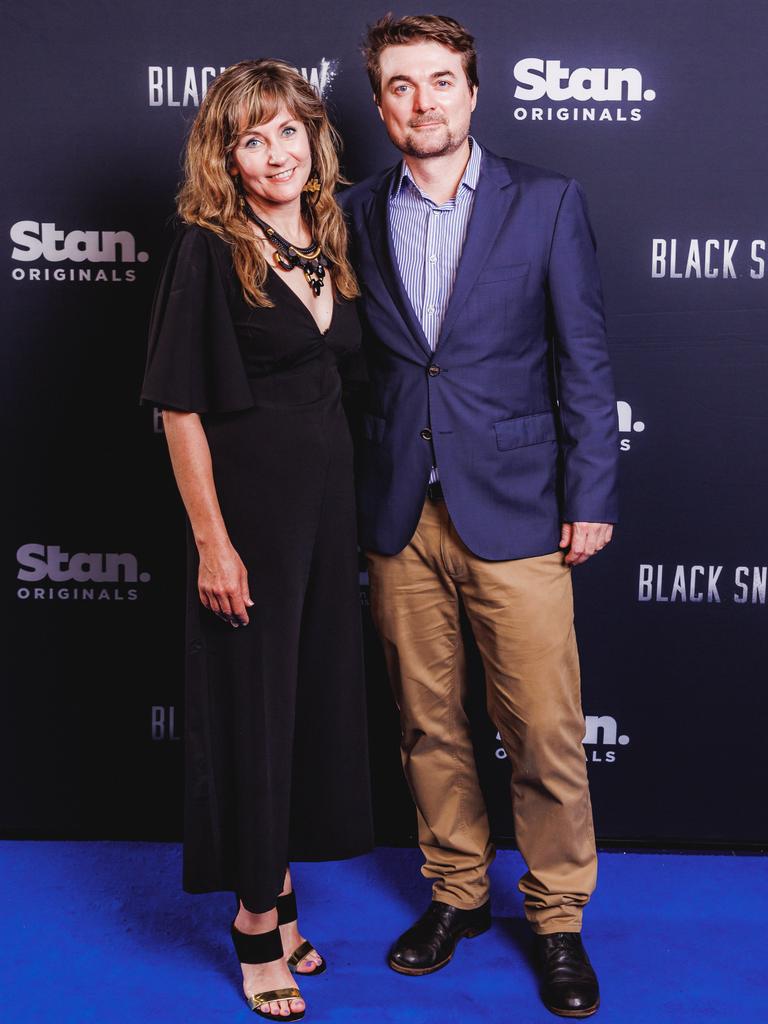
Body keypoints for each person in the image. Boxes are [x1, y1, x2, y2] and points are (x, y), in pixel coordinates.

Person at [340, 14, 618, 1018]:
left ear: (473, 92)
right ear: (380, 105)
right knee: (427, 723)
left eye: (441, 82)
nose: (423, 102)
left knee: (542, 729)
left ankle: (556, 918)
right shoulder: (353, 211)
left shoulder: (546, 203)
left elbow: (583, 359)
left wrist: (591, 494)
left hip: (519, 512)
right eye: (402, 86)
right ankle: (456, 892)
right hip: (399, 512)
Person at [141, 59, 373, 1021]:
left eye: (289, 132)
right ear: (225, 157)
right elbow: (178, 409)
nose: (275, 153)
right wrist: (213, 544)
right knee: (251, 711)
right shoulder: (206, 247)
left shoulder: (335, 231)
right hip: (250, 521)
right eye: (251, 138)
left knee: (306, 706)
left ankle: (281, 896)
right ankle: (251, 925)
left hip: (331, 514)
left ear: (314, 138)